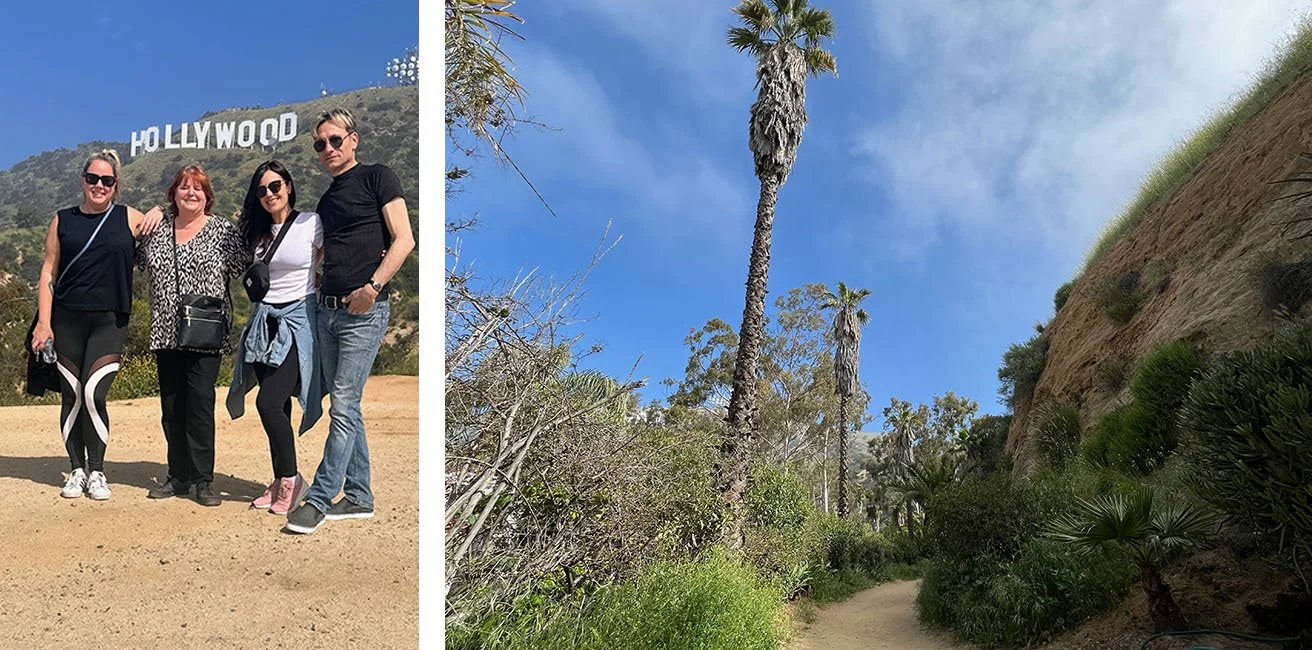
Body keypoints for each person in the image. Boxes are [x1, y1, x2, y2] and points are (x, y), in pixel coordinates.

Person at [285, 108, 415, 534]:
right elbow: (325, 250)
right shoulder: (326, 200)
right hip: (327, 310)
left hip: (365, 311)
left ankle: (319, 499)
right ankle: (359, 496)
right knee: (347, 406)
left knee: (342, 403)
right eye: (319, 144)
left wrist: (373, 288)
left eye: (334, 140)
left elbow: (404, 239)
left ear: (353, 139)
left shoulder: (379, 177)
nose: (327, 149)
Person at [30, 149, 163, 500]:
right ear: (83, 181)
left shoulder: (127, 217)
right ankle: (77, 469)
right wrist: (43, 324)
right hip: (67, 318)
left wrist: (160, 209)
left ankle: (98, 471)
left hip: (110, 320)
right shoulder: (63, 220)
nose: (99, 185)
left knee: (93, 393)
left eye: (107, 180)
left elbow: (171, 224)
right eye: (93, 178)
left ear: (116, 186)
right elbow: (48, 272)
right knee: (72, 395)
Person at [137, 164, 249, 507]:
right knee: (172, 407)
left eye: (198, 188)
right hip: (166, 332)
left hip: (205, 331)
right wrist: (152, 212)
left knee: (200, 404)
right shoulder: (157, 230)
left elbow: (243, 265)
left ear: (207, 196)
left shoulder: (221, 231)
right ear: (173, 194)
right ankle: (178, 475)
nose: (191, 192)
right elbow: (130, 250)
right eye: (184, 187)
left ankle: (203, 479)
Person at [226, 161, 325, 516]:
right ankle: (280, 478)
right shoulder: (257, 233)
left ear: (289, 185)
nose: (270, 194)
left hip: (297, 321)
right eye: (263, 189)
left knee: (267, 402)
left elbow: (329, 259)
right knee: (277, 407)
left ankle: (291, 479)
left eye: (276, 186)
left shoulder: (311, 223)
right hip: (264, 322)